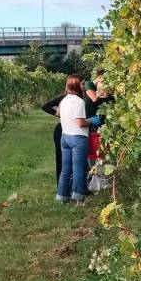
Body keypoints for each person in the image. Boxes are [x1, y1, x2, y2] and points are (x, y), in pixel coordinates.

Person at [56, 75, 102, 205]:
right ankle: (79, 199)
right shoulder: (79, 101)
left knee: (66, 169)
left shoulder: (64, 101)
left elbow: (59, 114)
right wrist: (92, 121)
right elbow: (80, 123)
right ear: (76, 86)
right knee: (78, 169)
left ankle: (62, 196)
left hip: (65, 138)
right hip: (78, 138)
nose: (84, 86)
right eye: (82, 84)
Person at [41, 92, 65, 184]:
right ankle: (60, 184)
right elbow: (45, 106)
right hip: (62, 129)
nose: (84, 86)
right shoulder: (64, 97)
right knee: (61, 159)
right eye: (82, 84)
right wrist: (58, 114)